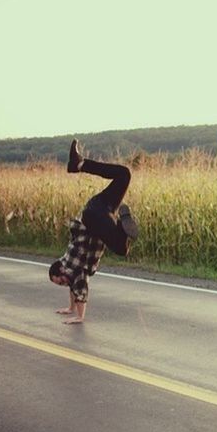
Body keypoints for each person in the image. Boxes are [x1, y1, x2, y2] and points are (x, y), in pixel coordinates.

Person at [49, 139, 138, 324]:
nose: (62, 283)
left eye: (59, 281)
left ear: (60, 270)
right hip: (99, 207)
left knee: (122, 249)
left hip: (95, 217)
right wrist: (70, 308)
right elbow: (72, 287)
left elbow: (79, 288)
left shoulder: (72, 270)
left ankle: (122, 225)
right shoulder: (68, 265)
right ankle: (80, 164)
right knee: (124, 174)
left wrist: (78, 316)